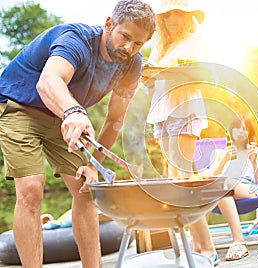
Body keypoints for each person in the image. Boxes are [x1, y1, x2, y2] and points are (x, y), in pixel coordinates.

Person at [0, 1, 155, 267]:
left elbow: (115, 120)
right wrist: (73, 111)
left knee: (86, 189)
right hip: (19, 106)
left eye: (138, 43)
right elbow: (49, 81)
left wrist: (95, 165)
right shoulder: (77, 40)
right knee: (31, 190)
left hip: (63, 116)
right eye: (125, 37)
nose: (129, 48)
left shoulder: (131, 64)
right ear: (109, 24)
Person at [142, 0, 218, 264]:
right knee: (175, 180)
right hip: (162, 113)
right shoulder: (159, 46)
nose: (173, 19)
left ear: (186, 17)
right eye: (168, 14)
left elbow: (199, 74)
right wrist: (148, 75)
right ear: (161, 19)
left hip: (185, 110)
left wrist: (167, 72)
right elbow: (150, 80)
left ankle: (208, 248)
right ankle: (195, 248)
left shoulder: (194, 41)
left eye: (178, 13)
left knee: (186, 179)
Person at [200, 115, 258, 261]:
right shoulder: (220, 153)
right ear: (231, 131)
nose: (241, 131)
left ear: (250, 132)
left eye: (245, 129)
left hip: (250, 189)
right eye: (238, 128)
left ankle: (238, 241)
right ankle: (203, 242)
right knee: (212, 187)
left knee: (220, 184)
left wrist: (254, 163)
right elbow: (210, 176)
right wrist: (224, 161)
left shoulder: (256, 151)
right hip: (223, 191)